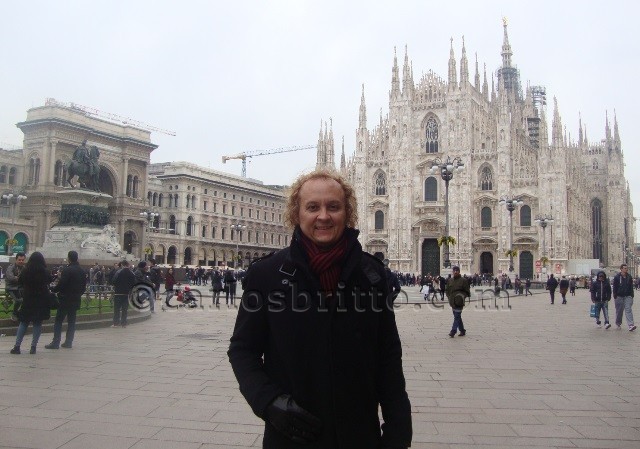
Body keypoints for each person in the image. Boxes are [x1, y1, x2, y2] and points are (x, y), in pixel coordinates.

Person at [228, 169, 412, 449]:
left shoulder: (371, 275)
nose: (323, 216)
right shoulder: (267, 275)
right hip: (292, 437)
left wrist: (398, 433)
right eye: (312, 207)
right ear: (296, 214)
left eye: (333, 207)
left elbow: (388, 358)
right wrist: (269, 402)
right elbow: (242, 350)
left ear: (347, 213)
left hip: (359, 438)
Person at [10, 252, 52, 354]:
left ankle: (17, 346)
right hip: (41, 301)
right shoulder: (45, 271)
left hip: (28, 300)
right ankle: (33, 347)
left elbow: (20, 282)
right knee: (37, 323)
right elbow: (49, 281)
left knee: (23, 322)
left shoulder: (26, 270)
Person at [45, 250, 86, 349]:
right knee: (71, 322)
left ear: (69, 258)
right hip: (75, 299)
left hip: (65, 299)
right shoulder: (82, 271)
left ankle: (56, 342)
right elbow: (83, 287)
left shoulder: (67, 270)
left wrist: (54, 290)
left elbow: (62, 284)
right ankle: (68, 342)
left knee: (59, 320)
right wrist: (78, 294)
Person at [445, 265, 470, 338]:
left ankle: (453, 331)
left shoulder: (463, 280)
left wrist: (462, 297)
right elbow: (447, 290)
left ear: (459, 272)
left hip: (459, 301)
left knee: (456, 316)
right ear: (452, 272)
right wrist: (449, 297)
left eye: (457, 271)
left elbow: (467, 292)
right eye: (454, 271)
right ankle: (462, 330)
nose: (455, 272)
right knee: (457, 317)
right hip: (452, 301)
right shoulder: (450, 280)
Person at [111, 260, 136, 327]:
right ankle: (124, 323)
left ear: (122, 265)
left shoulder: (118, 272)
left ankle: (116, 323)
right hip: (127, 293)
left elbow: (113, 281)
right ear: (128, 265)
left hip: (118, 292)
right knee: (125, 309)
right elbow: (134, 283)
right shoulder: (132, 273)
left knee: (117, 309)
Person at [613, 263, 636, 331]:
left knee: (628, 309)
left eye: (627, 268)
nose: (626, 269)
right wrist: (615, 295)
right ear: (621, 269)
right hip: (619, 296)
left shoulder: (629, 277)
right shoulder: (617, 277)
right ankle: (618, 323)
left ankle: (631, 325)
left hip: (628, 296)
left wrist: (632, 295)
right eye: (625, 268)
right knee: (619, 311)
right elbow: (614, 287)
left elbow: (631, 286)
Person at [6, 252, 26, 322]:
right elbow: (10, 278)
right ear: (16, 259)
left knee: (28, 299)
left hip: (20, 287)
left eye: (22, 260)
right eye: (19, 260)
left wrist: (17, 278)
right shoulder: (11, 267)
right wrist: (19, 278)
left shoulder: (24, 268)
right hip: (11, 288)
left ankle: (20, 313)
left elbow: (27, 278)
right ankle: (14, 314)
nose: (21, 261)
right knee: (19, 300)